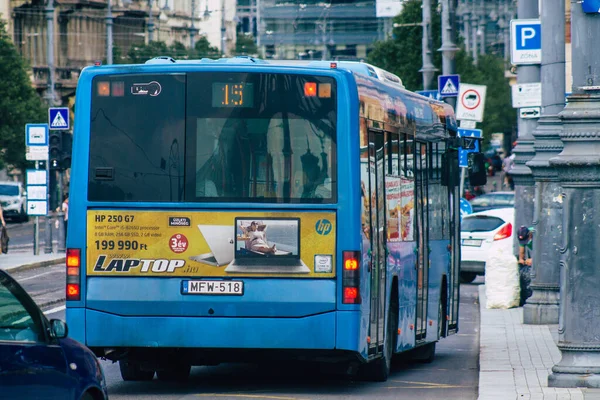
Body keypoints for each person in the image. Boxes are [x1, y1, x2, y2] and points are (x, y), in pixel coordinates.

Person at [517, 225, 534, 306]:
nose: (525, 242)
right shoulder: (523, 236)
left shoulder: (537, 234)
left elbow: (544, 252)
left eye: (526, 240)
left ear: (530, 235)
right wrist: (521, 259)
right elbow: (522, 251)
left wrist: (534, 260)